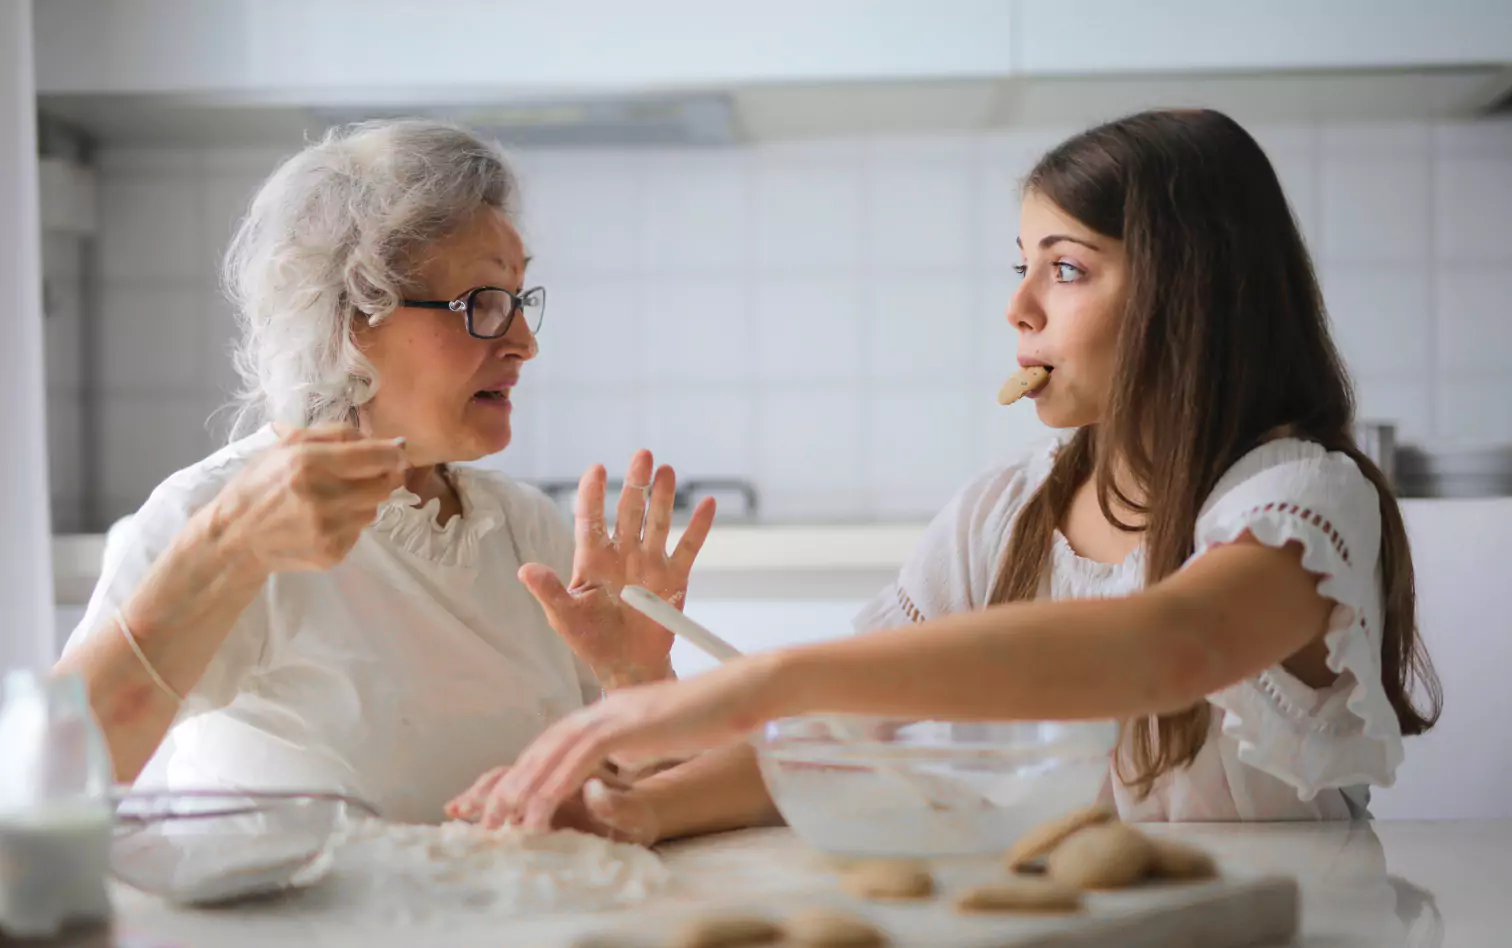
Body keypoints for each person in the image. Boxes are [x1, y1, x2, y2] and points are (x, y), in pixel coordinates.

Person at [451, 108, 1442, 837]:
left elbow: (1170, 645)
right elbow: (846, 735)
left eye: (1066, 267)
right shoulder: (1003, 514)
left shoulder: (1300, 500)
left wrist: (769, 676)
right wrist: (639, 801)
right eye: (1021, 265)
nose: (1018, 309)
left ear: (1192, 294)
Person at [54, 120, 712, 824]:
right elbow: (50, 778)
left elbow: (628, 798)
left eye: (519, 301)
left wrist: (635, 679)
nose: (524, 342)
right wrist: (224, 552)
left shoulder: (523, 529)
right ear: (348, 318)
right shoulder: (215, 512)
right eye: (482, 305)